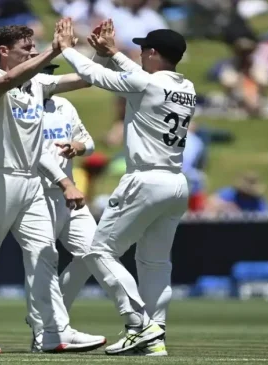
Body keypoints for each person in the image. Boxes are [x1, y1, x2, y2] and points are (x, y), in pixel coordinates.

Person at [0, 24, 106, 355]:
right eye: (27, 48)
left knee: (44, 255)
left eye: (36, 47)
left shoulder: (38, 84)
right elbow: (6, 82)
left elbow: (85, 79)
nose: (34, 52)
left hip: (32, 183)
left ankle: (52, 332)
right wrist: (54, 50)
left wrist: (102, 54)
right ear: (4, 52)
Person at [57, 18, 194, 355]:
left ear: (151, 53)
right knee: (155, 263)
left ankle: (140, 326)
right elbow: (138, 79)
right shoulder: (186, 87)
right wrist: (115, 53)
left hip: (145, 180)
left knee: (98, 251)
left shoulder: (146, 85)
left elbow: (93, 76)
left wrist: (66, 50)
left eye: (143, 50)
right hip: (176, 183)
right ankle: (155, 336)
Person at [27, 63, 103, 352]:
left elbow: (89, 141)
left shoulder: (64, 106)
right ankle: (47, 330)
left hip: (68, 193)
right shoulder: (18, 106)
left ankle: (48, 320)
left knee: (93, 253)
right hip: (35, 194)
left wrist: (78, 147)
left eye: (51, 72)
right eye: (44, 71)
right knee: (42, 260)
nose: (49, 78)